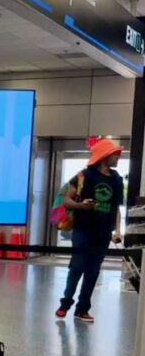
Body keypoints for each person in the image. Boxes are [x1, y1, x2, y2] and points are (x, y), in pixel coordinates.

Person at [56, 138, 124, 323]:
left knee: (93, 272)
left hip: (103, 234)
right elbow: (66, 200)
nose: (118, 156)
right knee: (77, 267)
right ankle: (65, 304)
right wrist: (81, 205)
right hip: (83, 230)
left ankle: (82, 309)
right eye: (115, 153)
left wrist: (117, 231)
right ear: (104, 157)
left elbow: (115, 208)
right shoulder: (84, 176)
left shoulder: (117, 179)